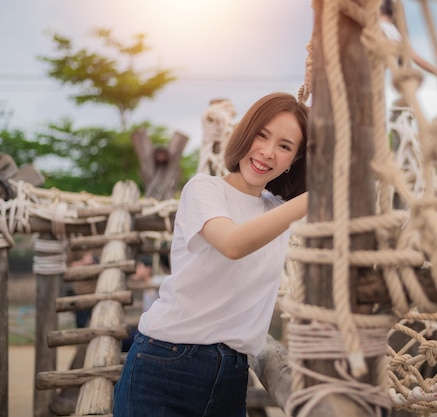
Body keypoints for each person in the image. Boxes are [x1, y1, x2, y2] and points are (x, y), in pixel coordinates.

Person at [113, 92, 309, 417]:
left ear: (295, 160)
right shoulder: (204, 189)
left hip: (231, 376)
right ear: (245, 132)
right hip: (165, 365)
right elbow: (232, 243)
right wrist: (310, 198)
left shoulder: (280, 210)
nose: (267, 152)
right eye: (262, 135)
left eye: (285, 146)